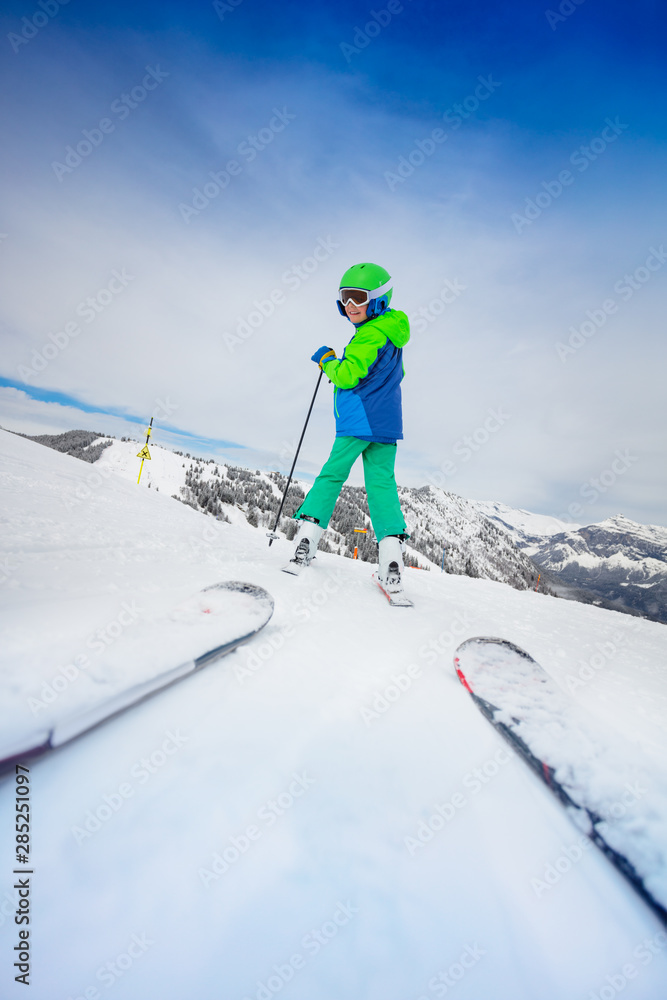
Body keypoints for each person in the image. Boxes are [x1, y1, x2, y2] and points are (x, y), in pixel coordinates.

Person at [285, 262, 411, 597]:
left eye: (358, 297)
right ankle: (390, 559)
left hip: (358, 423)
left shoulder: (368, 335)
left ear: (379, 299)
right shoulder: (391, 333)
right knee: (382, 485)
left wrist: (327, 359)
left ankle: (306, 540)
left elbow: (347, 375)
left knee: (332, 475)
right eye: (345, 298)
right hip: (386, 426)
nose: (350, 305)